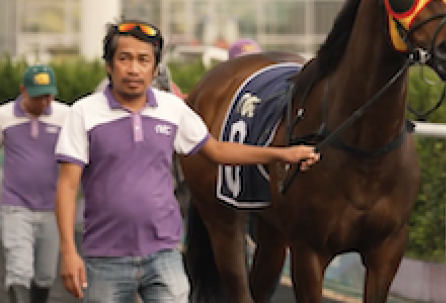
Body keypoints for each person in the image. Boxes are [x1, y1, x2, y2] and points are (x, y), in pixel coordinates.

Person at [54, 19, 319, 302]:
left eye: (143, 60)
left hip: (164, 256)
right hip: (105, 259)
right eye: (124, 58)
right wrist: (69, 252)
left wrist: (281, 154)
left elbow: (216, 151)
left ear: (155, 69)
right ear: (109, 65)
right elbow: (67, 187)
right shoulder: (83, 113)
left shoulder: (172, 109)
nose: (133, 68)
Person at [0, 64, 69, 303]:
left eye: (48, 96)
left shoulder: (64, 116)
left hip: (53, 208)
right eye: (38, 96)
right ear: (23, 90)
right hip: (15, 205)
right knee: (18, 269)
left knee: (45, 275)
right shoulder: (4, 116)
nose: (44, 102)